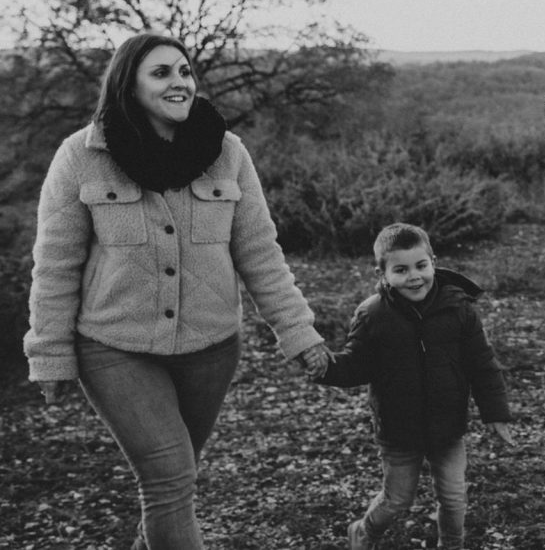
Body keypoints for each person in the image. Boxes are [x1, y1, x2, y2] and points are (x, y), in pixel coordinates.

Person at [23, 34, 332, 550]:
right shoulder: (82, 156)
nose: (179, 83)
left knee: (177, 480)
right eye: (161, 73)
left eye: (185, 71)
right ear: (130, 84)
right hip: (115, 349)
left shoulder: (227, 153)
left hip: (211, 349)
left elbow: (260, 252)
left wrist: (298, 332)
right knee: (167, 480)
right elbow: (55, 264)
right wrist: (50, 353)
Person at [311, 223, 513, 550]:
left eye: (421, 266)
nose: (414, 276)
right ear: (382, 273)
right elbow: (355, 365)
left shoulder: (458, 308)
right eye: (401, 270)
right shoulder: (373, 314)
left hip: (447, 426)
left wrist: (496, 413)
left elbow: (483, 364)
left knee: (454, 497)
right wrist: (324, 367)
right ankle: (363, 533)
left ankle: (452, 544)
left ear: (433, 260)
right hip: (398, 429)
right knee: (396, 500)